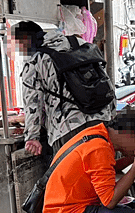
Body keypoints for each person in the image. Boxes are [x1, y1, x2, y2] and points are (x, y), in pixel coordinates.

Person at [13, 21, 116, 156]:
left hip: (68, 129)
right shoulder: (80, 43)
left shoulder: (35, 60)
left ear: (24, 41)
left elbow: (33, 104)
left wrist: (32, 137)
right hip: (102, 123)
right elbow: (105, 81)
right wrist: (111, 118)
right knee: (103, 172)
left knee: (73, 175)